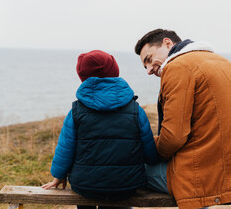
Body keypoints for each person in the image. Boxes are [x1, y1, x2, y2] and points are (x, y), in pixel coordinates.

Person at [135, 29, 231, 209]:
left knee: (122, 171)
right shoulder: (224, 63)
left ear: (167, 43)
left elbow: (173, 137)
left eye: (149, 59)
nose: (149, 70)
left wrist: (148, 147)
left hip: (204, 176)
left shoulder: (177, 67)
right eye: (145, 67)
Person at [42, 50, 158, 209]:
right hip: (126, 185)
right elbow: (150, 152)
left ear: (83, 77)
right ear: (115, 71)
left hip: (84, 185)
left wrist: (59, 176)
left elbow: (65, 148)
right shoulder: (135, 110)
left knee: (86, 198)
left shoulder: (76, 111)